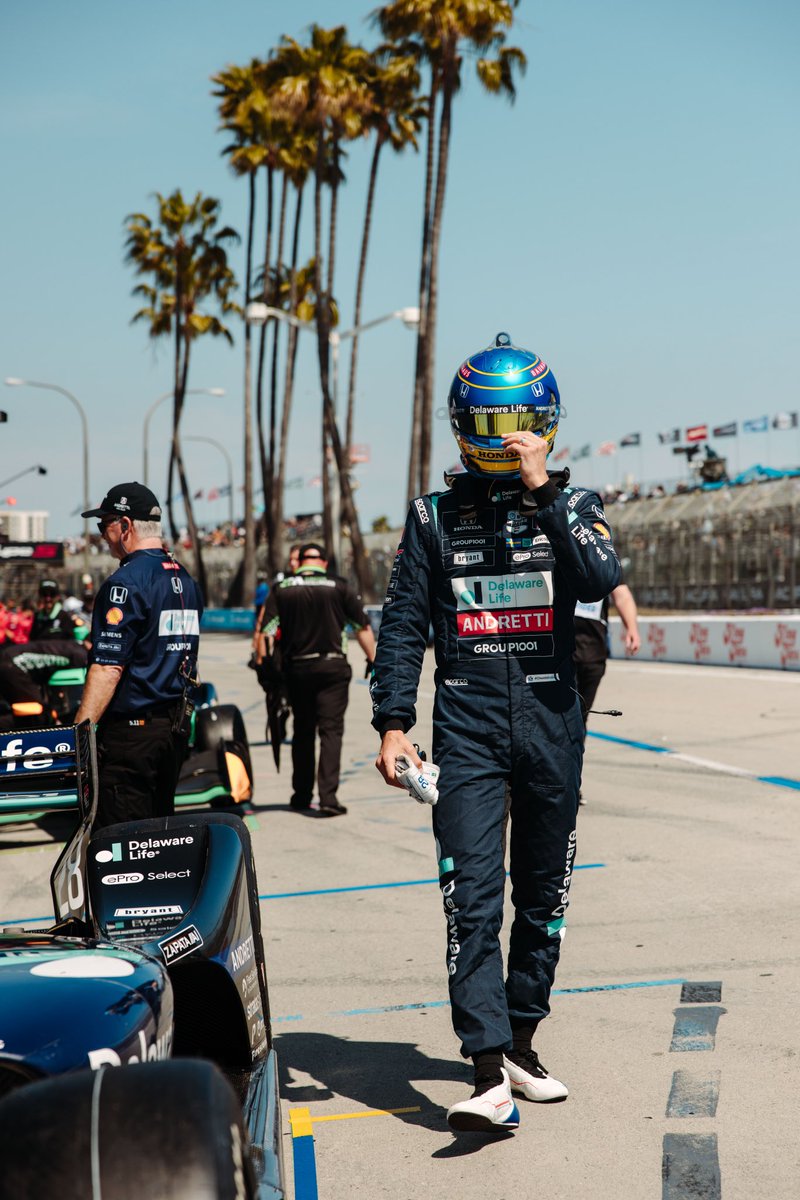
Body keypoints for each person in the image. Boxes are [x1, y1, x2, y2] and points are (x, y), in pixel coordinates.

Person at [372, 332, 620, 1133]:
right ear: (464, 423)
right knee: (472, 901)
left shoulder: (576, 505)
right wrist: (392, 723)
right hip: (469, 735)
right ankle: (485, 1069)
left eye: (518, 419)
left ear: (544, 422)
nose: (505, 433)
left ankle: (522, 1039)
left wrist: (542, 488)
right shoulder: (432, 517)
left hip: (553, 727)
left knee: (544, 898)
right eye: (491, 419)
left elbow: (597, 578)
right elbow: (404, 623)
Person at [74, 482, 203, 831]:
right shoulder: (185, 580)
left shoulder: (125, 583)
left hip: (131, 737)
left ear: (126, 525)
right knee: (159, 834)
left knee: (122, 843)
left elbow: (108, 667)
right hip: (173, 732)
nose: (103, 535)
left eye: (105, 525)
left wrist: (79, 735)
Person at [259, 542, 376, 817]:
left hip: (297, 670)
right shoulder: (340, 586)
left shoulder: (283, 588)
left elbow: (266, 630)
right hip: (332, 666)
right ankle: (328, 798)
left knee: (303, 731)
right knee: (331, 731)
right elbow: (363, 628)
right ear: (323, 562)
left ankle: (301, 795)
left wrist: (268, 670)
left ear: (300, 562)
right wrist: (374, 660)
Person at [0, 580, 88, 724]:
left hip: (61, 665)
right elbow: (32, 641)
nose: (48, 598)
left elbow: (77, 642)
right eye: (44, 594)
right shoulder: (37, 617)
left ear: (57, 596)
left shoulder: (65, 616)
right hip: (37, 665)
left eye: (51, 594)